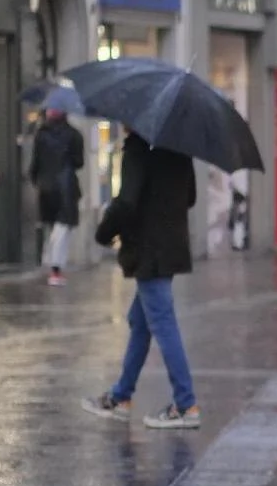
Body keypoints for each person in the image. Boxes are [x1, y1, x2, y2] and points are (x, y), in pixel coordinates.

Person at [82, 129, 201, 430]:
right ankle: (121, 397)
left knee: (162, 321)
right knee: (141, 320)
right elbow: (190, 197)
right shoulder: (178, 144)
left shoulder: (137, 148)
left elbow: (125, 203)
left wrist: (103, 233)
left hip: (149, 250)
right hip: (171, 246)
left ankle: (185, 404)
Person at [29, 105, 85, 286]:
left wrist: (37, 180)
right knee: (63, 228)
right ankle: (55, 267)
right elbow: (79, 162)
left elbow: (34, 163)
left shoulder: (41, 134)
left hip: (46, 186)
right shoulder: (74, 135)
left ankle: (53, 264)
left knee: (53, 226)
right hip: (65, 186)